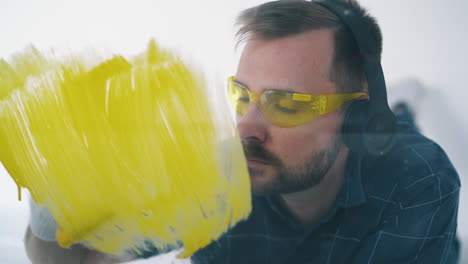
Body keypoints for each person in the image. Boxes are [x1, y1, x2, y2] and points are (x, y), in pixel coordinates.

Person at [24, 0, 461, 263]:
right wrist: (57, 199)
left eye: (285, 102)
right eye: (242, 95)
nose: (246, 128)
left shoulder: (420, 178)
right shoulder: (219, 175)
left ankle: (402, 104)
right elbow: (81, 258)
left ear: (352, 120)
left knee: (402, 125)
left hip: (384, 148)